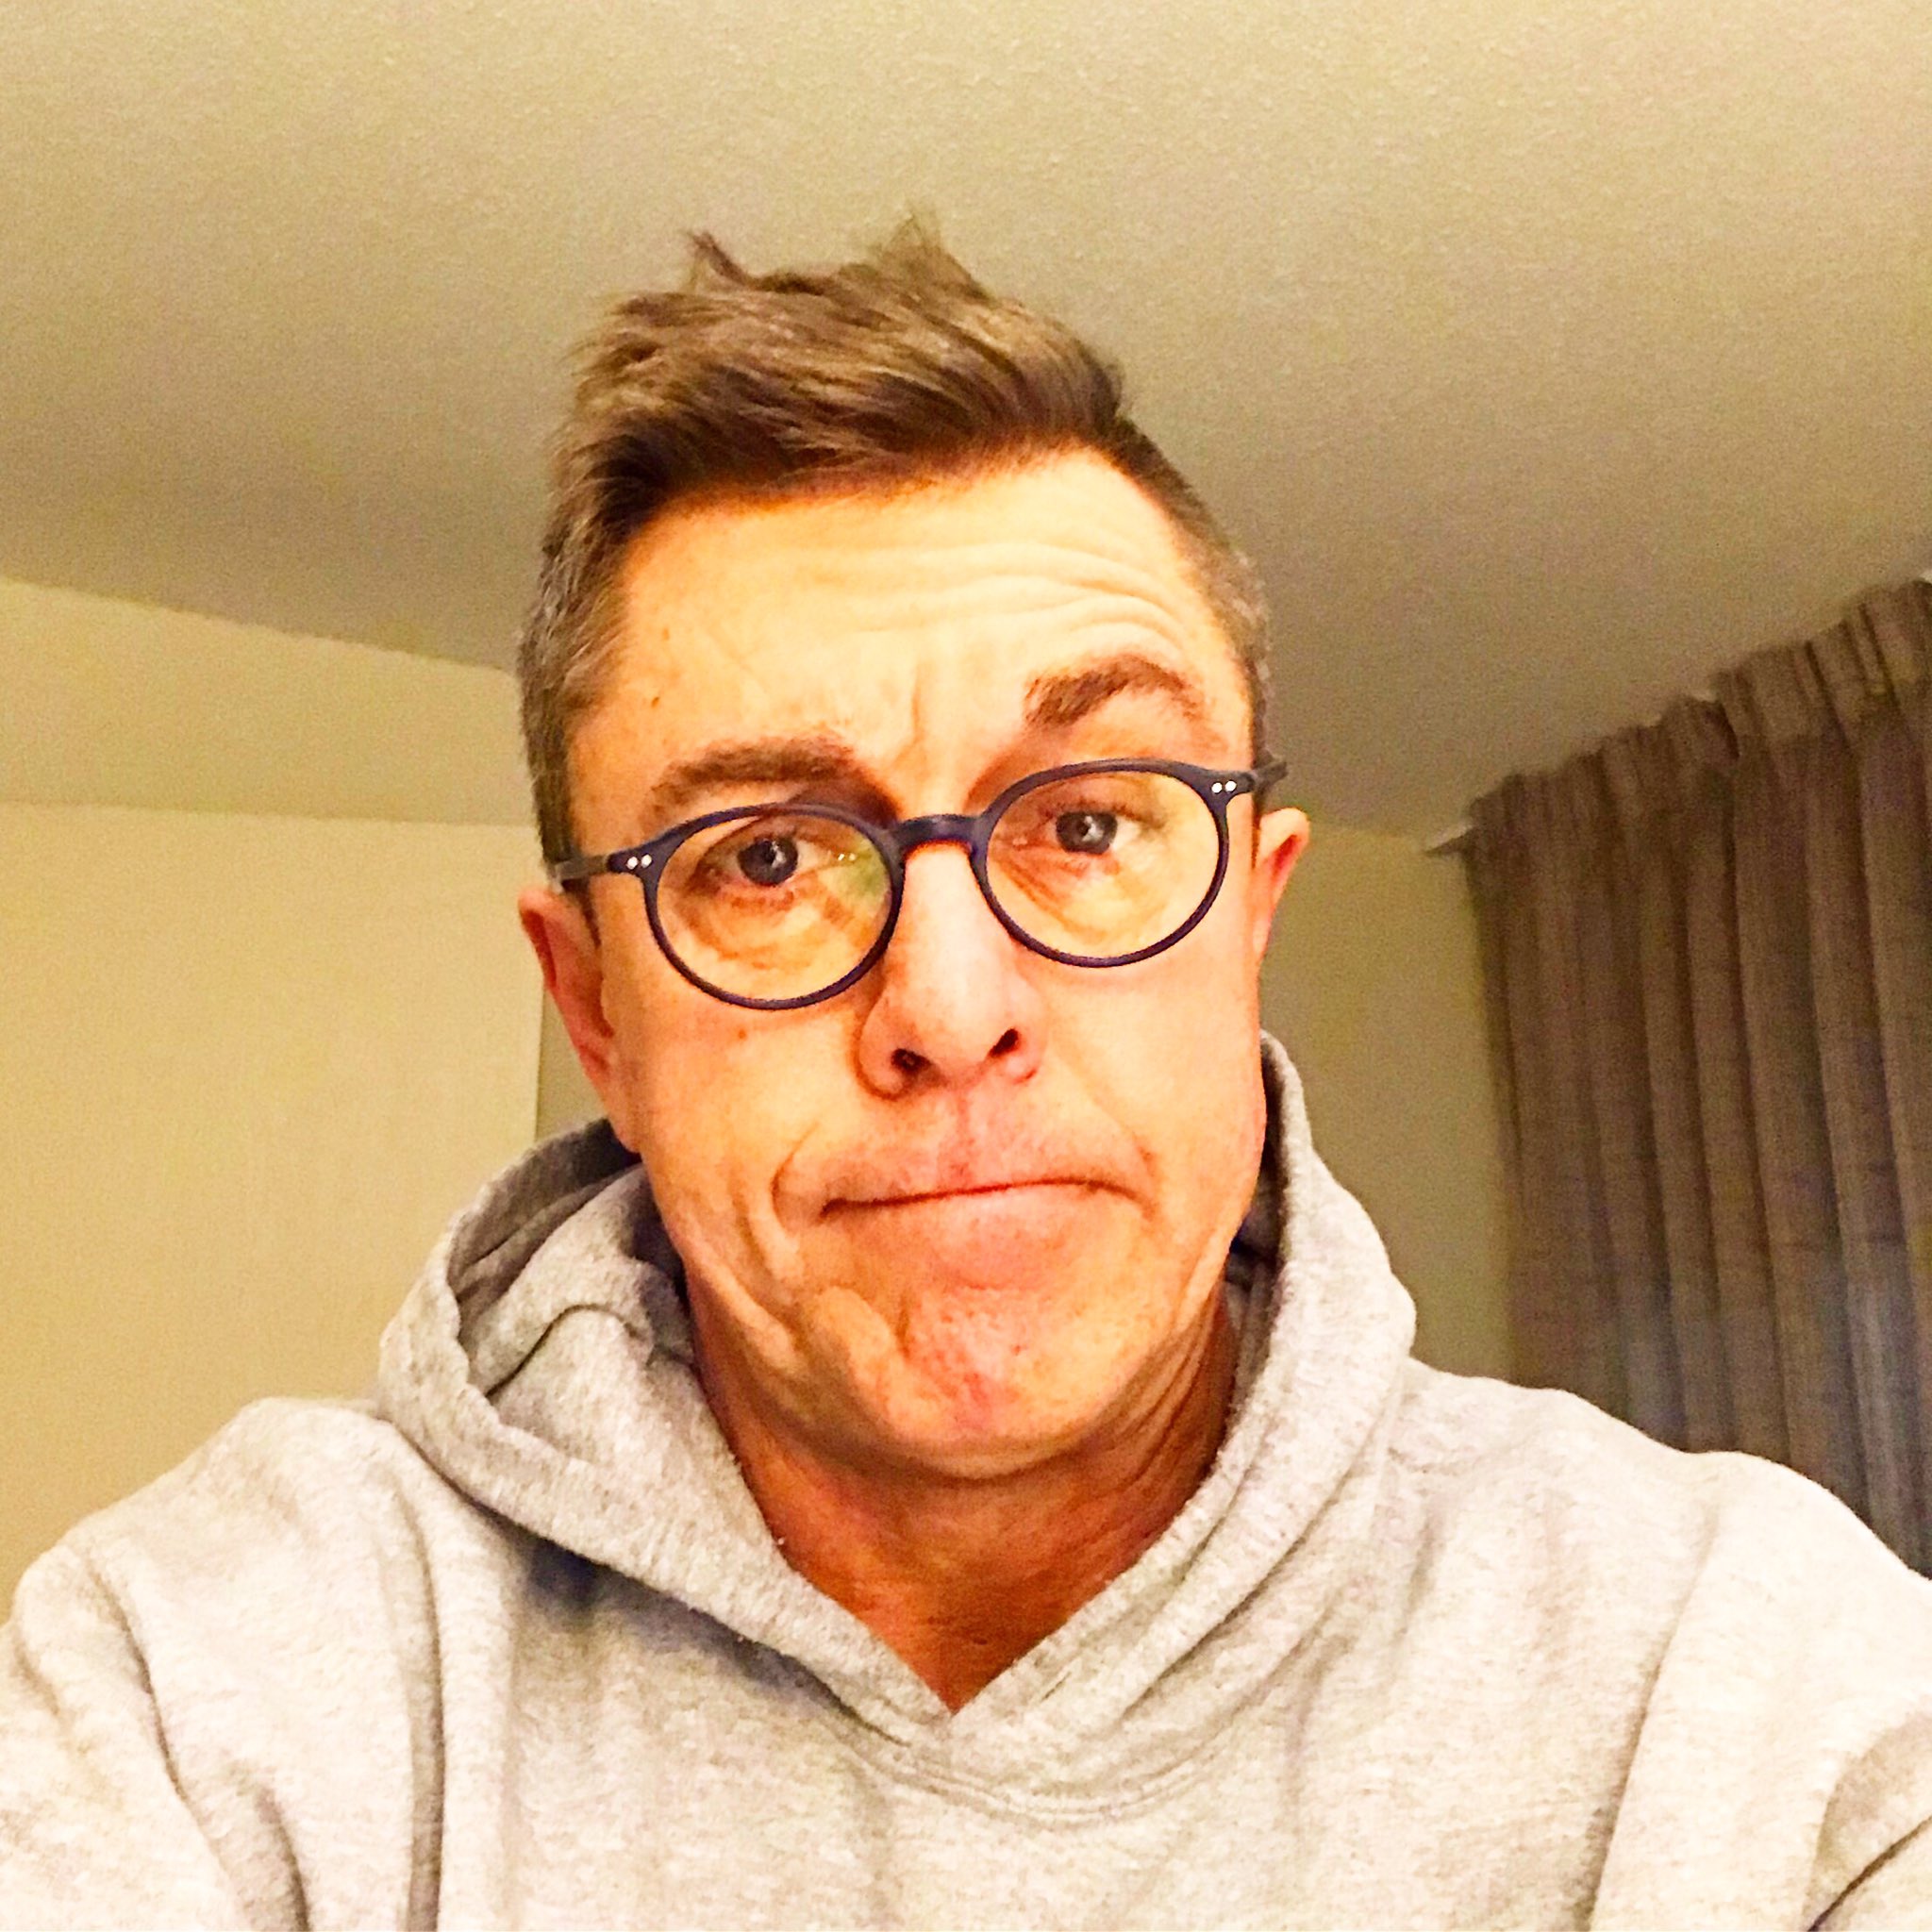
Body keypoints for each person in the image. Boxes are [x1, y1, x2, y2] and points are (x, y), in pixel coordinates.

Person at [5, 225, 1932, 1931]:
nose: (948, 1001)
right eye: (767, 856)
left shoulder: (1757, 1688)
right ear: (596, 1012)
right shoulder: (201, 1685)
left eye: (1086, 823)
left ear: (1247, 920)